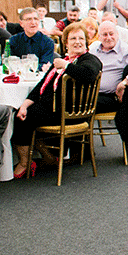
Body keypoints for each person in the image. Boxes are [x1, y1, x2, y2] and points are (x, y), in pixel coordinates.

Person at [11, 22, 102, 179]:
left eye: (81, 38)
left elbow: (88, 74)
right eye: (73, 38)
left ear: (86, 41)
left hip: (70, 113)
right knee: (19, 112)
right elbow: (41, 87)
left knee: (22, 120)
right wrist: (25, 105)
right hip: (52, 109)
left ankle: (25, 162)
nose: (78, 42)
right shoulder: (62, 61)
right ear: (66, 43)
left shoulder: (89, 59)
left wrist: (65, 65)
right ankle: (48, 157)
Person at [92, 21, 128, 153]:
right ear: (99, 36)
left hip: (112, 97)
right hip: (93, 93)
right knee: (73, 103)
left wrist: (124, 83)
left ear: (117, 34)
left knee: (77, 106)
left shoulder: (126, 50)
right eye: (104, 34)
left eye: (111, 34)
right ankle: (78, 148)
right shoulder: (94, 49)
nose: (108, 37)